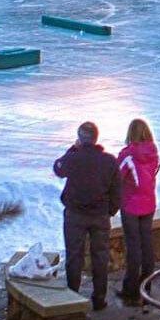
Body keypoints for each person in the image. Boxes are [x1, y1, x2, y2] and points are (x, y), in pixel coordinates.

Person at [53, 121, 121, 310]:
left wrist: (73, 149)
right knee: (100, 257)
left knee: (74, 257)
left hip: (75, 215)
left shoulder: (74, 158)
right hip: (100, 216)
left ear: (80, 139)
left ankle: (73, 298)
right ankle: (99, 298)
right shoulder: (109, 160)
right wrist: (111, 211)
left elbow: (58, 168)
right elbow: (117, 190)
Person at [116, 118, 160, 305]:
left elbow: (117, 176)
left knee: (133, 246)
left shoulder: (127, 155)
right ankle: (147, 285)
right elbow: (154, 173)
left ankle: (131, 289)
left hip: (130, 205)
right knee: (147, 243)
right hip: (149, 203)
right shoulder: (155, 153)